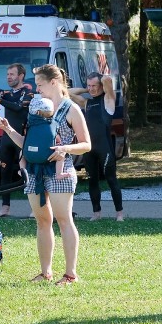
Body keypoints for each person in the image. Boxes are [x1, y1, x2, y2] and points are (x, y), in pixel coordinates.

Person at [0, 64, 91, 286]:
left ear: (53, 82)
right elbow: (28, 145)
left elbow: (86, 144)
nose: (37, 89)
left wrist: (65, 149)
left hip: (61, 172)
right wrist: (9, 130)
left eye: (40, 85)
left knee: (64, 221)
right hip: (35, 172)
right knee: (42, 222)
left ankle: (70, 274)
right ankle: (45, 272)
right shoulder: (35, 108)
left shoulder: (71, 109)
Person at [70, 73, 124, 221]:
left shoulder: (108, 99)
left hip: (104, 147)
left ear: (100, 86)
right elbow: (68, 92)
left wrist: (101, 82)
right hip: (89, 148)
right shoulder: (87, 103)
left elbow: (107, 80)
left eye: (94, 86)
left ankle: (119, 214)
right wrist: (86, 90)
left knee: (111, 179)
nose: (91, 88)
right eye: (89, 85)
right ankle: (96, 213)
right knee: (92, 180)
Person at [0, 63, 33, 216]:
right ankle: (5, 208)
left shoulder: (28, 92)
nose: (9, 77)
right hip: (7, 138)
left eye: (12, 74)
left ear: (21, 76)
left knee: (27, 173)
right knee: (4, 173)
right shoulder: (6, 93)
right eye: (7, 75)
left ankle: (35, 208)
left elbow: (18, 107)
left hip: (21, 138)